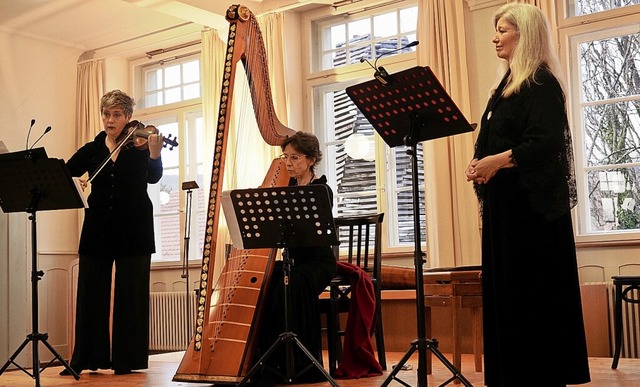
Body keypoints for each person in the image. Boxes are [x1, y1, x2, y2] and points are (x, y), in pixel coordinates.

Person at [465, 4, 590, 386]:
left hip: (532, 215)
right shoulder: (504, 86)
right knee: (509, 298)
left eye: (502, 29)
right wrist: (478, 164)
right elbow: (497, 139)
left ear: (526, 35)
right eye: (496, 29)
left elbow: (546, 142)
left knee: (531, 300)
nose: (494, 37)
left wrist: (496, 162)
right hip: (507, 211)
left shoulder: (540, 82)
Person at [61, 89, 165, 376]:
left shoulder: (140, 144)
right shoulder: (92, 149)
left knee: (131, 295)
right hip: (97, 227)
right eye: (106, 114)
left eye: (116, 115)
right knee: (91, 293)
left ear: (128, 117)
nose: (110, 120)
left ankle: (127, 360)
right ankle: (86, 358)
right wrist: (76, 184)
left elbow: (154, 178)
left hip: (135, 227)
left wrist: (155, 154)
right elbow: (66, 172)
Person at [252, 131, 337, 386]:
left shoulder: (321, 189)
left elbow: (311, 234)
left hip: (318, 263)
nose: (288, 163)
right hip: (294, 261)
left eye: (295, 157)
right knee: (267, 280)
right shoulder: (283, 188)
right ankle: (269, 363)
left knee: (293, 284)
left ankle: (302, 363)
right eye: (285, 157)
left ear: (310, 159)